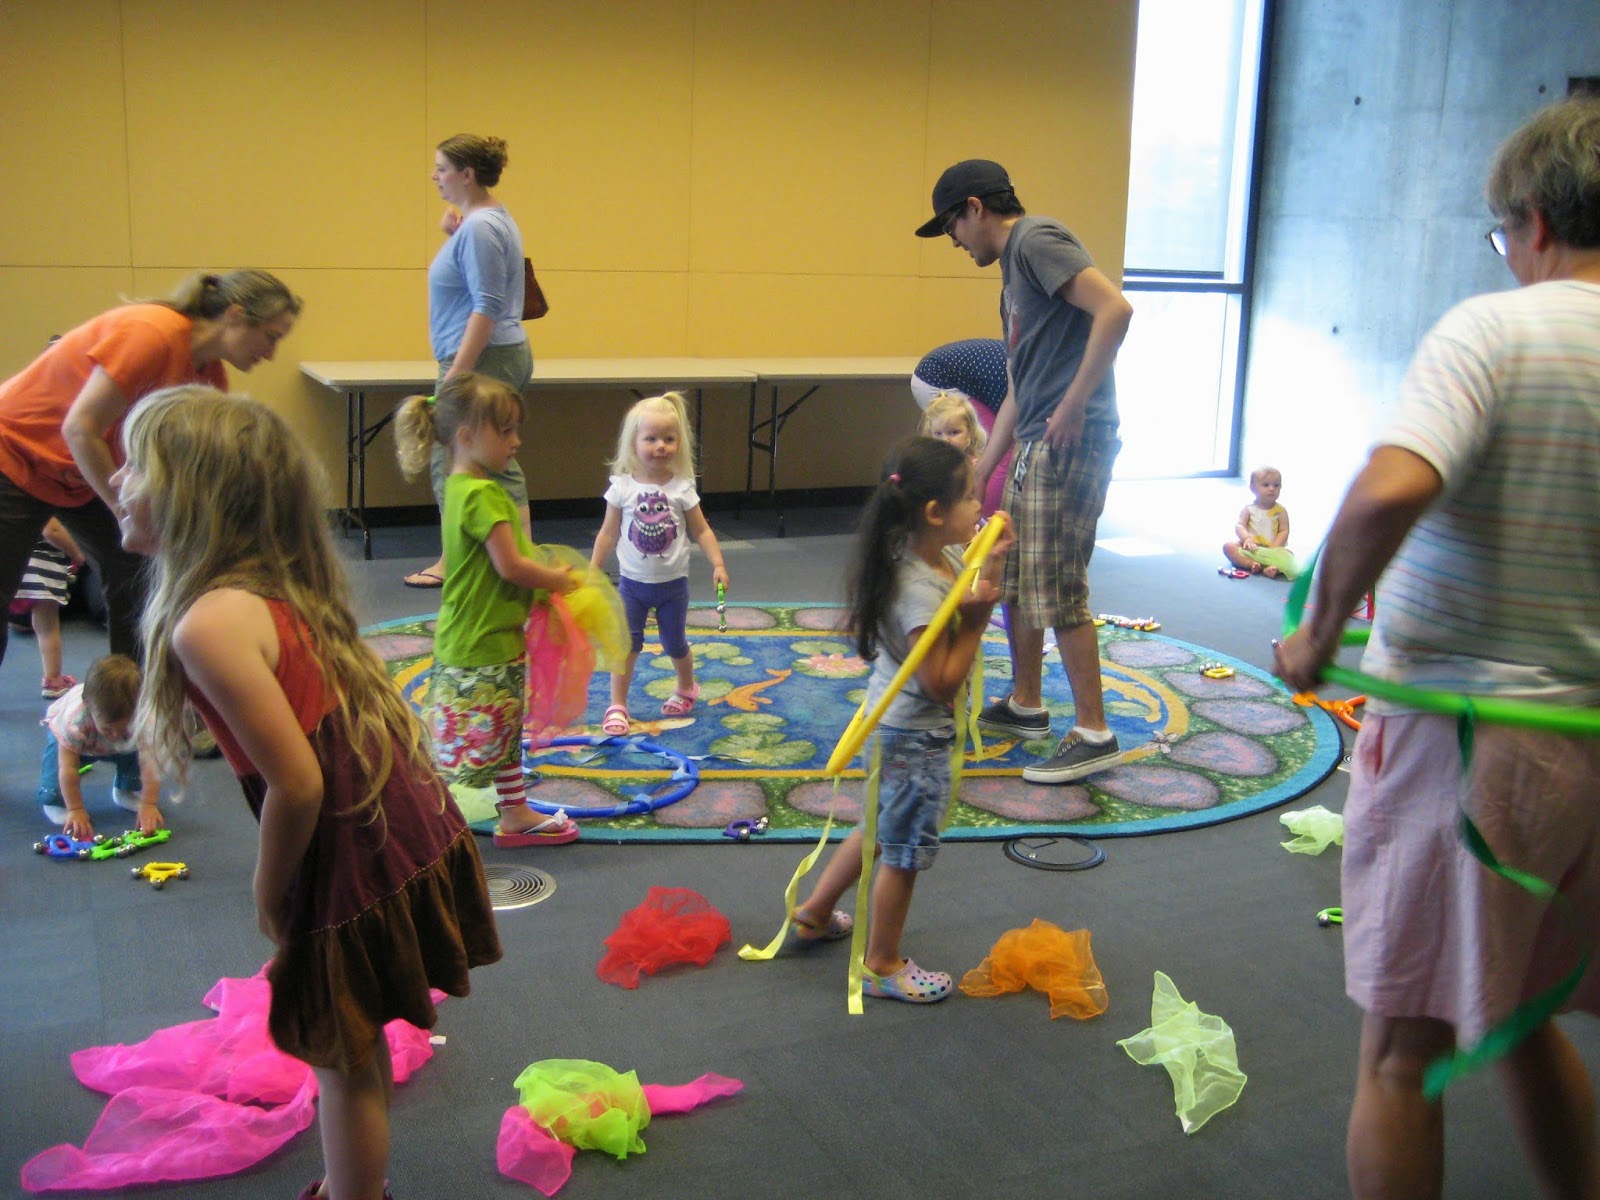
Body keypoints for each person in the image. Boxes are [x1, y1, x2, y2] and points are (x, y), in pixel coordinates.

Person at [1274, 96, 1600, 1200]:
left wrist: (1319, 629)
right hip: (1585, 750)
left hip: (1472, 746)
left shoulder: (1495, 329)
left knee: (1401, 1056)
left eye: (1500, 234)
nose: (1503, 255)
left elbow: (1395, 483)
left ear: (1535, 218)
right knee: (1521, 1017)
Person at [118, 385, 503, 1200]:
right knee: (348, 1046)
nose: (115, 482)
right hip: (385, 822)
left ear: (190, 497)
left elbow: (297, 783)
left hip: (348, 841)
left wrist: (269, 892)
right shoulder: (267, 585)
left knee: (341, 1057)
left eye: (133, 467)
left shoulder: (208, 621)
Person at [916, 159, 1134, 784]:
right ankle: (1027, 704)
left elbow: (1115, 311)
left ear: (976, 208)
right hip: (1034, 438)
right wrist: (981, 467)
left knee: (1055, 581)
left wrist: (1071, 407)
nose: (954, 241)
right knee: (1011, 571)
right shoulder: (1011, 276)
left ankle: (1095, 732)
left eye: (952, 225)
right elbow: (1019, 383)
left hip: (1069, 440)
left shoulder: (1037, 239)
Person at [789, 437, 1011, 1003]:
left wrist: (994, 561)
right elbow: (939, 681)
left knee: (877, 826)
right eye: (968, 498)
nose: (979, 507)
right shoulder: (919, 589)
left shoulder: (927, 556)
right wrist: (980, 621)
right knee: (904, 849)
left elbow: (965, 582)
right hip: (916, 734)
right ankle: (882, 963)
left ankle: (814, 911)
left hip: (893, 726)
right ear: (934, 513)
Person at [0, 271, 301, 666]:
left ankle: (135, 696)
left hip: (81, 472)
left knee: (138, 570)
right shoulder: (153, 332)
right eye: (271, 336)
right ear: (235, 315)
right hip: (15, 451)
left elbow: (189, 470)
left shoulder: (209, 378)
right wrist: (123, 511)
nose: (271, 353)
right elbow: (79, 428)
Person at [395, 372, 581, 847]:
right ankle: (418, 821)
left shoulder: (458, 487)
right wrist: (558, 580)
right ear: (466, 436)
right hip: (483, 642)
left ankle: (515, 813)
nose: (517, 442)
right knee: (469, 744)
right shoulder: (482, 496)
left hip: (476, 634)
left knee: (498, 733)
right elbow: (513, 567)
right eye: (505, 431)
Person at [403, 134, 535, 591]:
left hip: (483, 357)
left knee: (460, 454)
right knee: (487, 451)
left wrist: (458, 372)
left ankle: (464, 559)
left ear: (467, 175)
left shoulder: (481, 227)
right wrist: (454, 237)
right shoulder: (484, 222)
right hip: (497, 353)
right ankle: (497, 554)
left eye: (441, 168)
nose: (434, 176)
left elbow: (487, 304)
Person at [589, 390, 730, 736]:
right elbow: (607, 533)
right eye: (650, 438)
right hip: (632, 586)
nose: (660, 446)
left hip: (672, 587)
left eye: (669, 438)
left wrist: (718, 564)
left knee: (674, 643)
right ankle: (617, 704)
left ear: (679, 443)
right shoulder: (621, 488)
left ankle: (686, 687)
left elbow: (702, 530)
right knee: (627, 645)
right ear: (633, 443)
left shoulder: (683, 488)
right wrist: (593, 569)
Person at [38, 652, 162, 839]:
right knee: (56, 764)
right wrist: (76, 809)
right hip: (77, 741)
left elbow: (151, 765)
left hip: (114, 743)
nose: (116, 734)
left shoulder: (144, 720)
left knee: (138, 752)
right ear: (87, 706)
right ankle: (55, 801)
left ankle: (124, 789)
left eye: (125, 726)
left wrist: (149, 804)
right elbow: (68, 768)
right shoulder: (74, 721)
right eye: (109, 728)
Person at [911, 338, 1012, 514]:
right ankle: (982, 521)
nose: (945, 439)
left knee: (988, 454)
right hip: (938, 378)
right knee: (1001, 455)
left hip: (944, 373)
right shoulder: (1024, 367)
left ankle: (972, 515)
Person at [10, 518, 85, 697]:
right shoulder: (43, 497)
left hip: (11, 562)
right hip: (41, 567)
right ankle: (53, 681)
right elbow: (52, 530)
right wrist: (78, 554)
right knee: (47, 628)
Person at [1222, 465, 1299, 579]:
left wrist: (1274, 547)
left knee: (1289, 555)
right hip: (1250, 548)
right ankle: (1251, 564)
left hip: (1271, 550)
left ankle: (1272, 569)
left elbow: (1284, 530)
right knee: (1228, 547)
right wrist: (1247, 539)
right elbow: (1240, 525)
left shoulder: (1280, 511)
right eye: (1266, 485)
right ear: (1253, 488)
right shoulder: (1248, 509)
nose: (1272, 488)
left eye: (1276, 485)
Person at [919, 391, 988, 469]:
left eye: (954, 432)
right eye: (938, 433)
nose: (945, 440)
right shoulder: (929, 464)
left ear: (970, 431)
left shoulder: (975, 466)